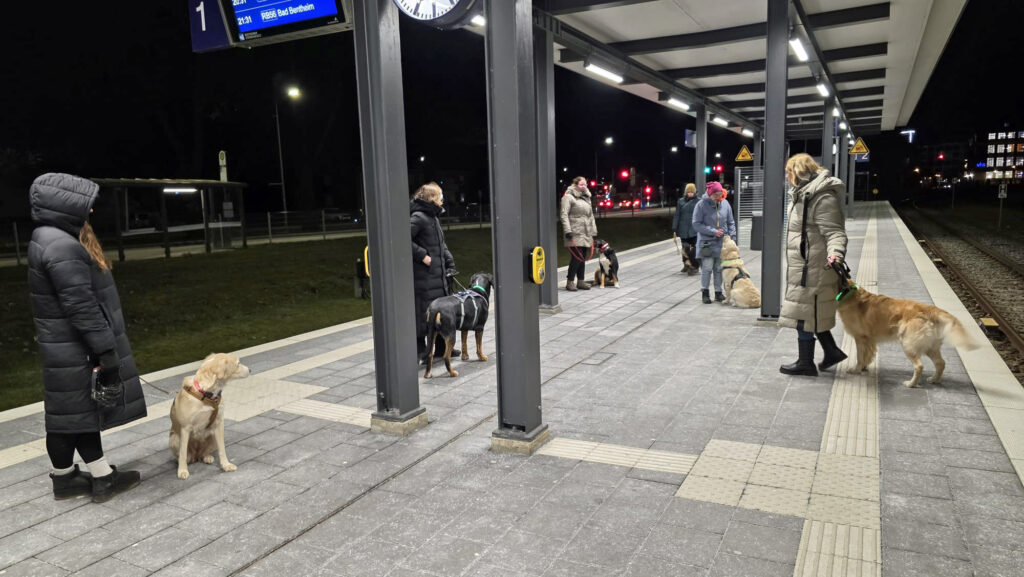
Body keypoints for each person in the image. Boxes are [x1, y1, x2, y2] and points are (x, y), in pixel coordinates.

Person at [28, 173, 146, 503]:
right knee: (82, 414)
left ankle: (64, 479)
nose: (91, 212)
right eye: (85, 206)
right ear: (65, 205)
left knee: (64, 413)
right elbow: (81, 307)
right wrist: (106, 352)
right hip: (77, 346)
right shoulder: (63, 245)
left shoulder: (45, 236)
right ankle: (104, 478)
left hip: (60, 347)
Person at [778, 153, 849, 376]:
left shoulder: (821, 197)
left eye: (788, 172)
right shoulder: (803, 193)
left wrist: (835, 255)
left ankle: (806, 362)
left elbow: (835, 232)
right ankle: (831, 351)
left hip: (815, 267)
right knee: (810, 311)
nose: (787, 177)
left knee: (803, 313)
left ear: (798, 171)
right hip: (805, 264)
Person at [411, 182, 457, 364]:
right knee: (423, 312)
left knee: (440, 311)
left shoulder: (433, 218)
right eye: (441, 196)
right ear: (432, 198)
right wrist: (422, 256)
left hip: (437, 275)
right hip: (424, 276)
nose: (443, 199)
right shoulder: (418, 217)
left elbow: (441, 245)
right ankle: (420, 351)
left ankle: (440, 348)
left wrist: (450, 262)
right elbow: (402, 239)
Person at [691, 181, 736, 304]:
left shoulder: (725, 203)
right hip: (706, 242)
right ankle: (705, 292)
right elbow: (696, 224)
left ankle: (718, 292)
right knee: (707, 267)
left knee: (719, 268)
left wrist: (732, 237)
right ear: (709, 194)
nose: (718, 197)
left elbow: (731, 222)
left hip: (722, 242)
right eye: (715, 195)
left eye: (720, 194)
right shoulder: (701, 205)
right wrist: (713, 231)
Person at [560, 176, 598, 291]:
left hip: (586, 232)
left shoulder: (586, 198)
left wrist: (593, 230)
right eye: (581, 184)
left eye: (585, 184)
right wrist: (568, 230)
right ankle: (570, 281)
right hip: (574, 231)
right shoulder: (568, 197)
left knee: (583, 257)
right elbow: (564, 214)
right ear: (575, 185)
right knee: (576, 257)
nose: (584, 187)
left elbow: (590, 216)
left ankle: (580, 280)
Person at [672, 183, 700, 275]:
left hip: (694, 229)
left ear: (695, 192)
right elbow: (677, 215)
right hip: (683, 229)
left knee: (694, 248)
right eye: (689, 192)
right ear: (686, 192)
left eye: (692, 192)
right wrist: (674, 228)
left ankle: (695, 265)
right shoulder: (681, 201)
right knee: (684, 247)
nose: (690, 193)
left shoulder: (698, 201)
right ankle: (685, 264)